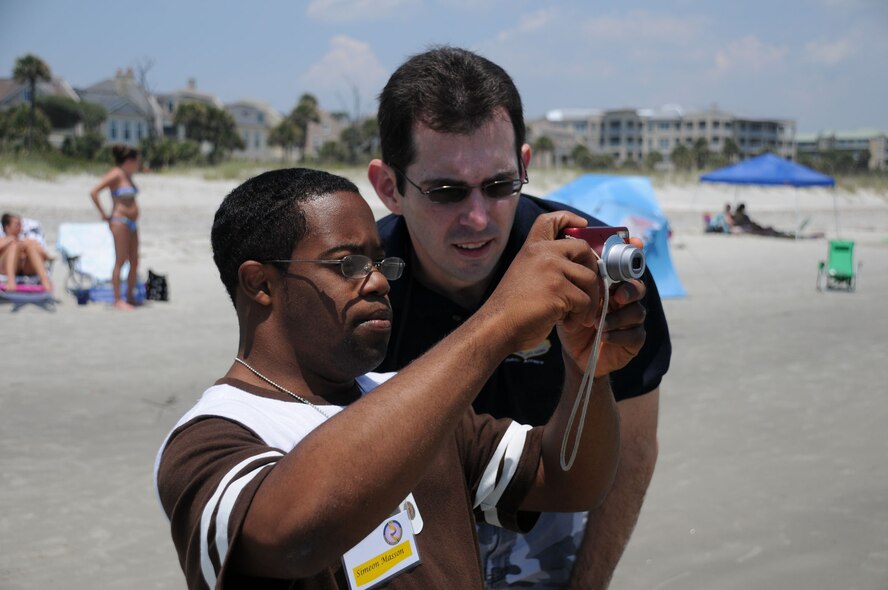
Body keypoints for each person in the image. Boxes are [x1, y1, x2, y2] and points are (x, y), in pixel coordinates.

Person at [153, 168, 647, 588]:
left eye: (378, 261)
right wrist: (497, 322)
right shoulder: (209, 438)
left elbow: (568, 481)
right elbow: (290, 535)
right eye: (347, 264)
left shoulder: (409, 401)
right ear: (261, 284)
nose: (377, 280)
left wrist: (588, 373)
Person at [367, 46, 672, 589]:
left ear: (525, 166)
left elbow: (634, 451)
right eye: (446, 191)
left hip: (555, 518)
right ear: (389, 187)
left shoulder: (602, 271)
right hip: (408, 518)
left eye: (500, 184)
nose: (478, 217)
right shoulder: (358, 293)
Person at [89, 144, 141, 310]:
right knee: (121, 260)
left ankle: (130, 296)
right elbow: (94, 192)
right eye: (136, 161)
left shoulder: (128, 175)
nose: (138, 164)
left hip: (133, 223)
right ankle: (117, 299)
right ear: (130, 160)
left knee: (134, 260)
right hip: (120, 221)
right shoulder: (116, 174)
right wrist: (104, 213)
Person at [0, 212, 53, 292]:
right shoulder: (2, 240)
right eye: (17, 225)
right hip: (5, 269)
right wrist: (10, 240)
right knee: (13, 246)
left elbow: (46, 257)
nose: (20, 228)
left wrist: (30, 245)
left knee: (31, 246)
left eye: (21, 225)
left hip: (26, 269)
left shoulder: (26, 240)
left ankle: (44, 280)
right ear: (7, 227)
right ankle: (11, 281)